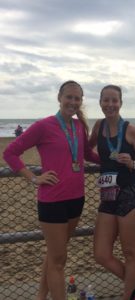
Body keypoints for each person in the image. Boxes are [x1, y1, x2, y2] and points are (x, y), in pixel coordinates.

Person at [3, 80, 99, 300]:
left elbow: (87, 155)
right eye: (69, 97)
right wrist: (33, 178)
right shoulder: (43, 126)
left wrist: (113, 161)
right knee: (59, 260)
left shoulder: (78, 127)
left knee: (54, 255)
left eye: (77, 98)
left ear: (81, 101)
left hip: (77, 199)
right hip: (52, 201)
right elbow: (10, 153)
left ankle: (40, 297)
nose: (73, 102)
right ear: (59, 98)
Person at [89, 84, 135, 300]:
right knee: (101, 254)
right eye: (106, 100)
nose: (110, 104)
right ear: (100, 102)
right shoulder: (98, 126)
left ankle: (129, 296)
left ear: (121, 103)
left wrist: (132, 163)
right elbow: (88, 150)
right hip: (108, 196)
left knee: (130, 252)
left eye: (114, 100)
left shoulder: (131, 130)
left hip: (130, 195)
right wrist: (103, 161)